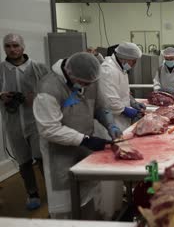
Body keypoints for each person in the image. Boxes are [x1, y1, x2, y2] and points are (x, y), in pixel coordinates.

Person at [33, 52, 122, 219]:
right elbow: (49, 129)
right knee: (65, 203)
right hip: (58, 153)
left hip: (85, 149)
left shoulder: (91, 80)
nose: (86, 87)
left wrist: (110, 124)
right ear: (69, 73)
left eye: (89, 83)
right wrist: (84, 139)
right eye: (83, 83)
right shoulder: (48, 87)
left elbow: (101, 106)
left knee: (89, 195)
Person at [0, 33, 49, 210]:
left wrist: (36, 97)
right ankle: (32, 193)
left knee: (42, 157)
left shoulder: (38, 68)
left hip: (36, 122)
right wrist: (2, 96)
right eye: (8, 46)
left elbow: (52, 91)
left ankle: (52, 191)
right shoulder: (1, 70)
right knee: (23, 161)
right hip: (12, 123)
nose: (12, 49)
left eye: (15, 45)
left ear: (23, 47)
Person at [98, 42, 145, 130]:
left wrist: (132, 102)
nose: (134, 65)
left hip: (121, 119)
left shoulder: (120, 68)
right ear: (124, 59)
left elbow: (122, 90)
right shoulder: (108, 70)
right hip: (112, 121)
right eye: (133, 61)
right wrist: (125, 110)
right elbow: (109, 100)